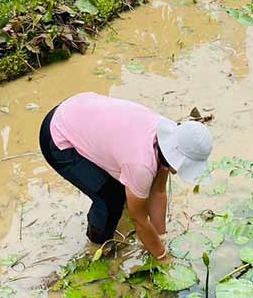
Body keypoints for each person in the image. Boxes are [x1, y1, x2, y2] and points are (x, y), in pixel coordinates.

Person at [39, 92, 213, 258]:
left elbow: (158, 192)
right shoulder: (141, 165)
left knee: (131, 190)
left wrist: (161, 236)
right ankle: (96, 244)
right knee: (111, 198)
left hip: (81, 110)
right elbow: (139, 220)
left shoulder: (168, 136)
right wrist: (162, 256)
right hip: (57, 135)